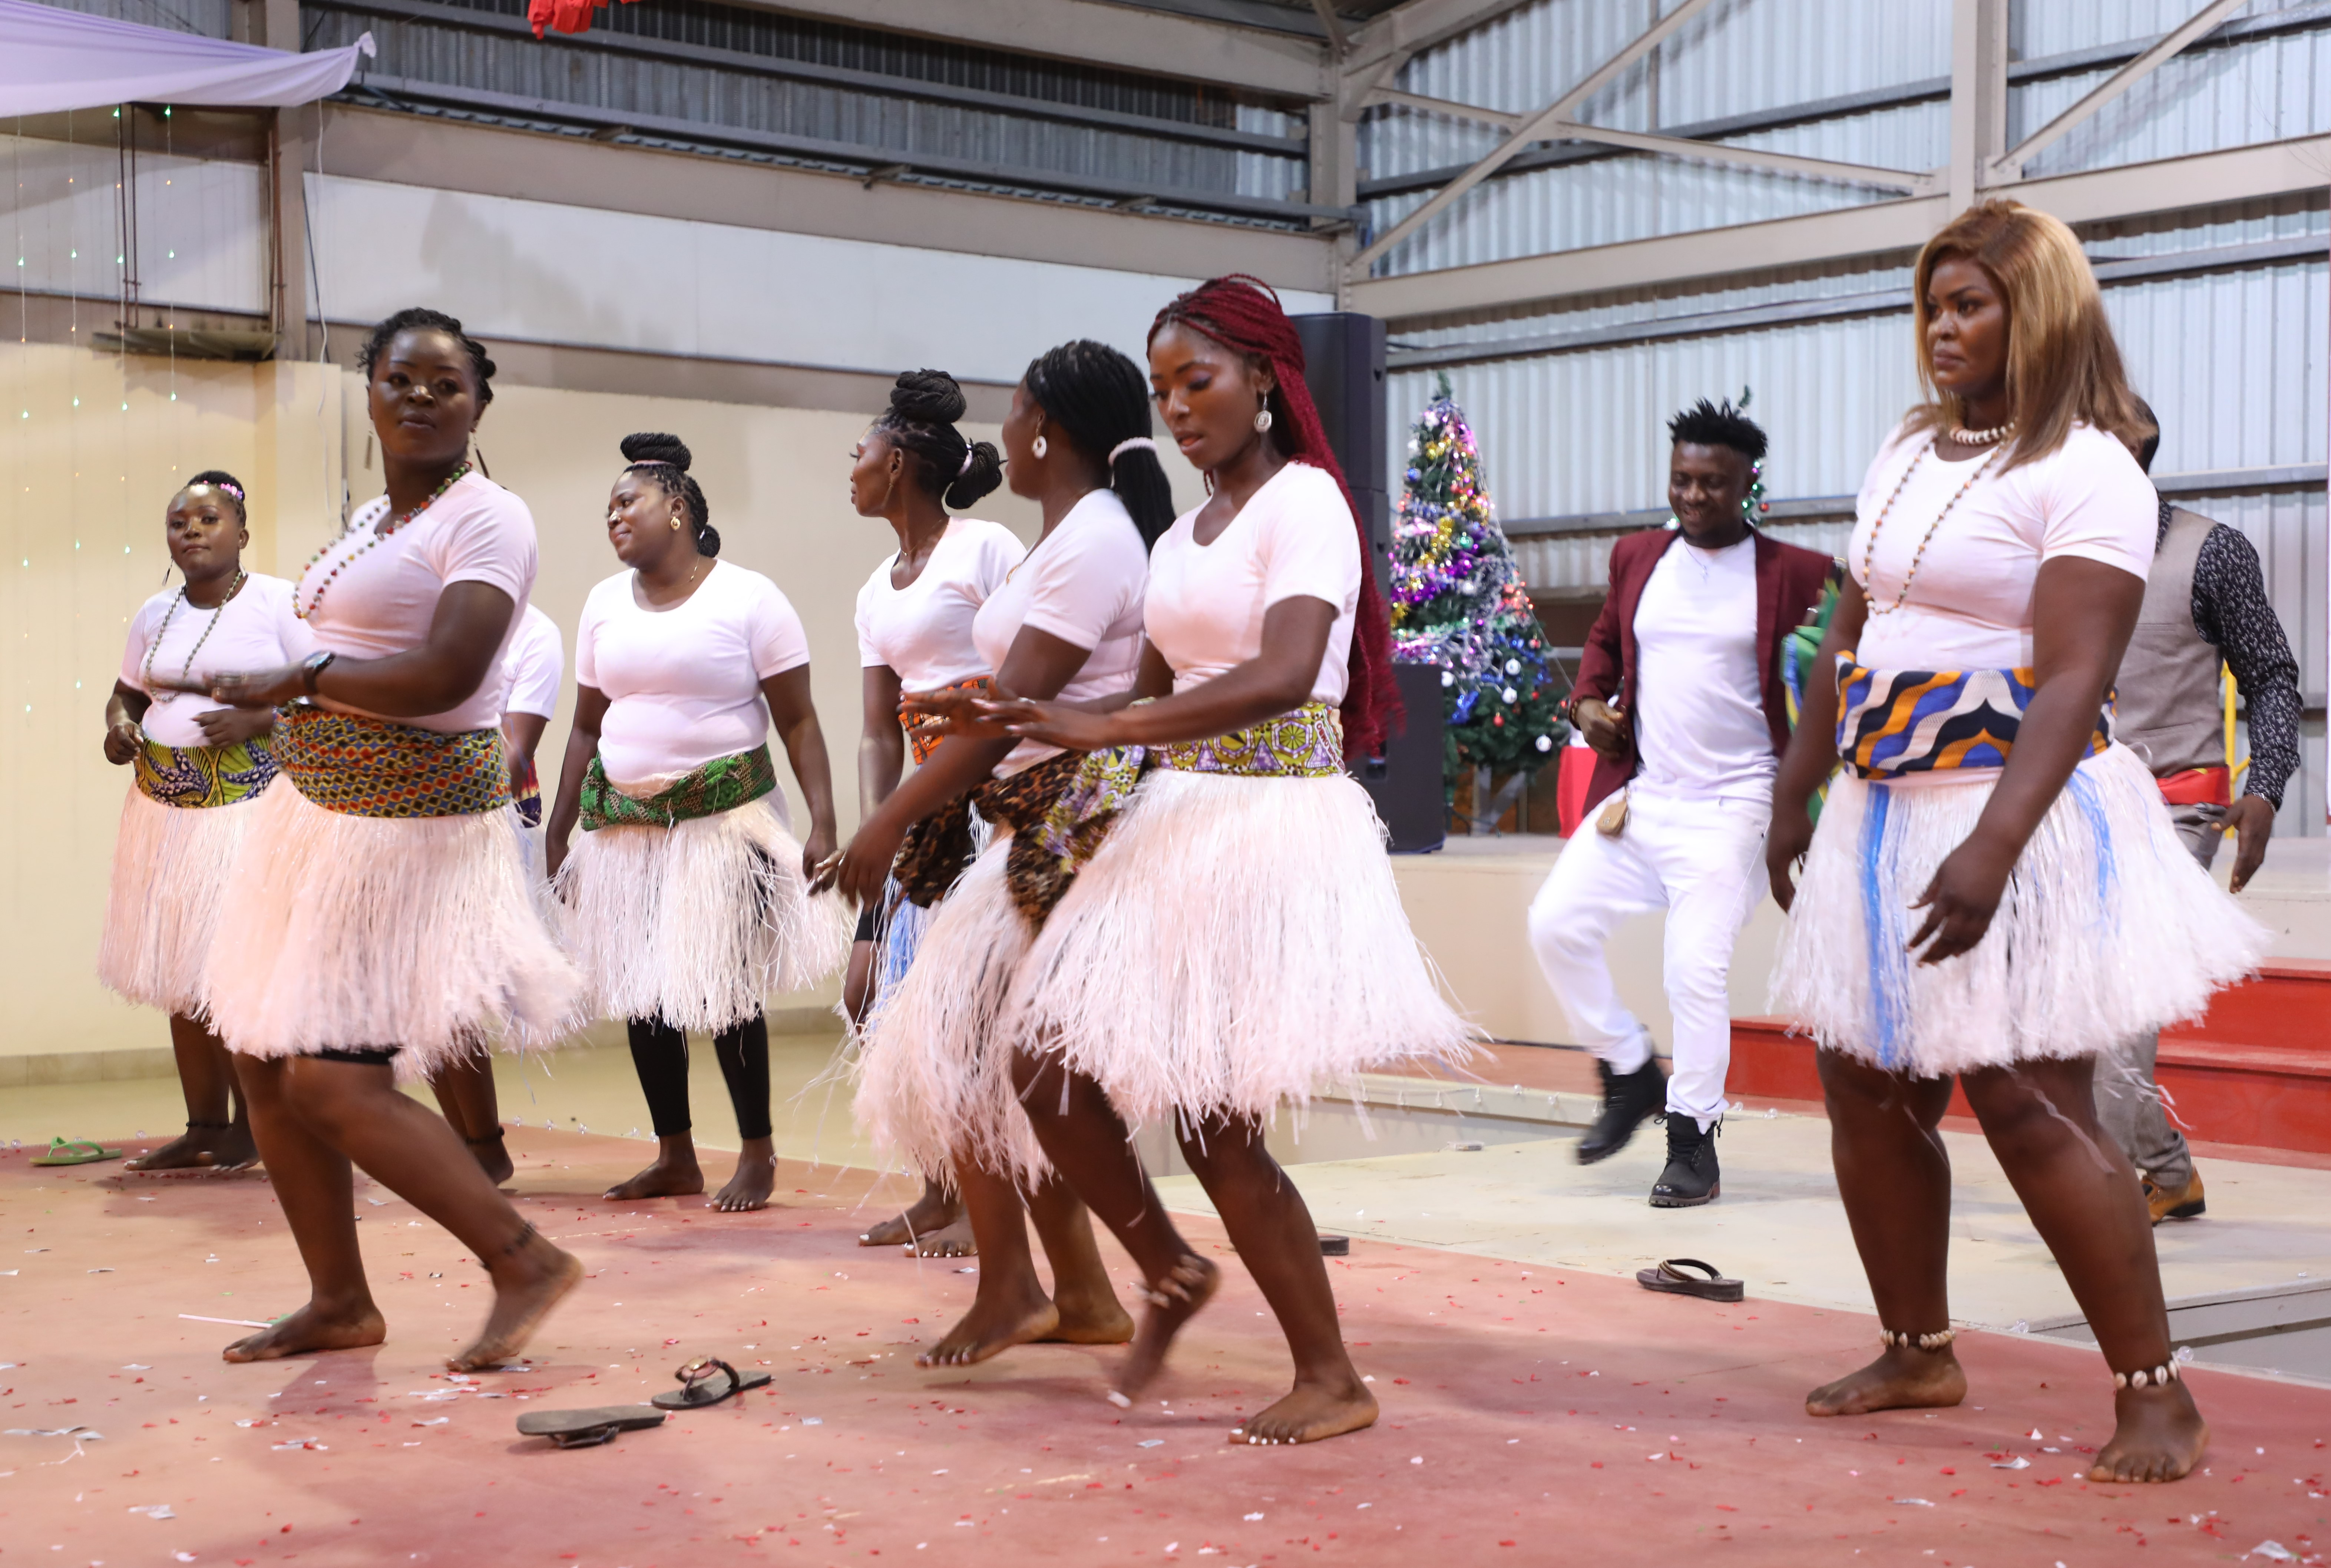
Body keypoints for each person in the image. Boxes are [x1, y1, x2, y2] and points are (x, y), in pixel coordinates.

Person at [1765, 202, 2268, 1484]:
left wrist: (1992, 846)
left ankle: (2154, 1395)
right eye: (1932, 303)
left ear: (2032, 311)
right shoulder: (1904, 447)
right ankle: (1915, 1348)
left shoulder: (2089, 466)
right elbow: (1850, 627)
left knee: (2026, 1101)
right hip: (1879, 808)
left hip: (2017, 811)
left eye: (1969, 303)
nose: (1941, 327)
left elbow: (2067, 680)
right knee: (1862, 1083)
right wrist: (1794, 788)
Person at [980, 275, 1475, 1446]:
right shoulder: (1188, 530)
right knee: (1045, 1061)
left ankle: (1332, 1372)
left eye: (1198, 380)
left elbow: (1285, 670)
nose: (1180, 406)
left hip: (1269, 825)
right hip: (1179, 816)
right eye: (1163, 390)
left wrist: (1110, 729)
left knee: (1218, 1123)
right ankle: (1165, 1267)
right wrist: (1037, 739)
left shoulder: (1305, 503)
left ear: (1264, 379)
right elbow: (1160, 681)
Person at [198, 307, 585, 1370]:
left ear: (479, 405)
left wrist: (301, 679)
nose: (420, 397)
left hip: (406, 825)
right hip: (320, 811)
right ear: (368, 391)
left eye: (446, 384)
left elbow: (450, 675)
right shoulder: (374, 519)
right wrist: (284, 708)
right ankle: (339, 1299)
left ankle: (523, 1256)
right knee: (264, 1058)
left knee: (334, 1078)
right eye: (401, 379)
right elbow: (350, 654)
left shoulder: (489, 517)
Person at [825, 340, 1160, 1368]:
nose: (1001, 433)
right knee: (977, 1052)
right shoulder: (1067, 538)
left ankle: (1065, 1277)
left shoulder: (1090, 540)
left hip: (1067, 819)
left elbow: (1007, 713)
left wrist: (884, 822)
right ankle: (1076, 1289)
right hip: (1012, 811)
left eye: (1014, 411)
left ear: (1048, 428)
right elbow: (989, 704)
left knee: (973, 1046)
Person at [1527, 400, 1833, 1206]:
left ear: (1747, 485)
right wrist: (1586, 702)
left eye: (1714, 484)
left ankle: (1693, 1138)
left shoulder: (1796, 573)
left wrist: (1806, 802)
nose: (1694, 496)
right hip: (1645, 797)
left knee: (1694, 969)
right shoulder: (1637, 557)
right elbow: (1603, 642)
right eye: (1682, 480)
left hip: (1737, 805)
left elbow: (1834, 678)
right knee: (1553, 924)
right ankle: (1629, 1071)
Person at [545, 432, 847, 1214]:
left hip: (726, 823)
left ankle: (757, 1153)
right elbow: (586, 726)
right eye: (607, 507)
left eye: (627, 502)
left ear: (676, 511)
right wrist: (560, 823)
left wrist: (823, 822)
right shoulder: (604, 604)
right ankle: (675, 1154)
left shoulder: (749, 598)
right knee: (645, 995)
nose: (612, 517)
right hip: (623, 830)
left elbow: (801, 723)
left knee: (726, 991)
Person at [2091, 402, 2301, 1226]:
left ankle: (2099, 1208)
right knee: (2080, 1011)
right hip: (2072, 807)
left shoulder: (2209, 552)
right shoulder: (2046, 554)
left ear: (2137, 460)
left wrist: (2268, 785)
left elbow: (2272, 678)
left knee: (2120, 1005)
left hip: (2176, 808)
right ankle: (2167, 1172)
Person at [843, 370, 1020, 1256]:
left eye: (862, 452)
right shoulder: (877, 589)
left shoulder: (985, 549)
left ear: (901, 461)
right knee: (881, 995)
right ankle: (940, 1186)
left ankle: (1000, 1200)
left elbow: (1033, 671)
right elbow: (879, 726)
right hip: (923, 807)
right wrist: (885, 825)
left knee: (974, 1009)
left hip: (996, 798)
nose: (853, 465)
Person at [99, 470, 310, 1172]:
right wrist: (121, 726)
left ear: (242, 533)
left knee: (235, 973)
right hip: (162, 815)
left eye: (208, 519)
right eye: (179, 522)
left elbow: (327, 695)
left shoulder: (280, 602)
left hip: (247, 812)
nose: (190, 531)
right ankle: (205, 1128)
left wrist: (260, 717)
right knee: (180, 974)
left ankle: (259, 1126)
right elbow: (125, 693)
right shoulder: (154, 613)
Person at [428, 600, 568, 1188]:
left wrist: (431, 790)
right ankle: (466, 1141)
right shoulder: (426, 622)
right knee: (425, 991)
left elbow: (516, 748)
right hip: (415, 810)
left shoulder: (536, 635)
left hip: (485, 819)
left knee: (451, 985)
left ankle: (484, 1145)